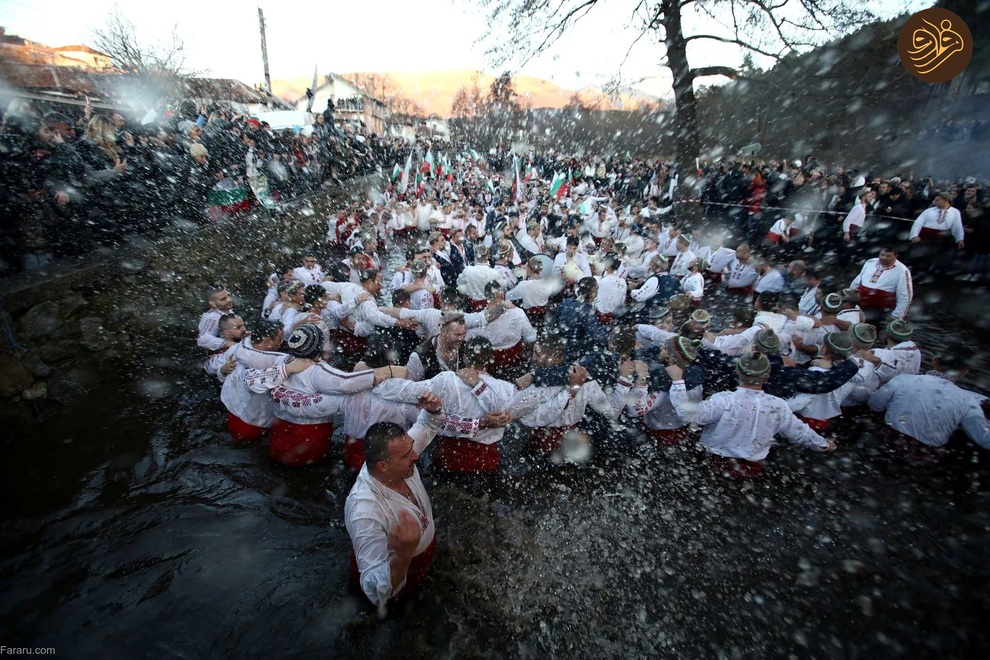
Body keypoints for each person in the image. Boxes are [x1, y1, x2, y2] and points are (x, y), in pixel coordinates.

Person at [344, 392, 445, 608]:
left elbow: (426, 427)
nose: (416, 456)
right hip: (396, 585)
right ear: (383, 466)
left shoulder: (401, 456)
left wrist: (433, 410)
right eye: (407, 455)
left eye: (411, 448)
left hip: (419, 564)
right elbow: (372, 587)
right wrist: (403, 555)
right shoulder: (365, 510)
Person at [667, 351, 835, 479]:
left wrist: (677, 381)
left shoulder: (724, 400)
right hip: (751, 468)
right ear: (767, 376)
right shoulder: (778, 405)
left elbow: (687, 414)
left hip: (714, 463)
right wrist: (822, 444)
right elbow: (799, 432)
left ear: (738, 372)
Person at [869, 366, 990, 462]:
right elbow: (984, 440)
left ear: (934, 361)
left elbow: (875, 405)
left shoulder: (903, 379)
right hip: (925, 459)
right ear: (964, 372)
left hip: (888, 446)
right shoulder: (968, 401)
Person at [849, 247, 913, 321]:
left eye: (888, 256)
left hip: (879, 307)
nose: (884, 258)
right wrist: (850, 293)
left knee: (870, 327)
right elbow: (858, 279)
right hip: (860, 301)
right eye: (882, 255)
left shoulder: (902, 271)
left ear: (896, 256)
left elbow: (905, 294)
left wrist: (897, 315)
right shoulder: (871, 262)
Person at [909, 191, 965, 274]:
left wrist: (959, 239)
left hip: (941, 239)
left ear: (946, 201)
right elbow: (918, 223)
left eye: (937, 200)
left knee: (934, 258)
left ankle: (926, 274)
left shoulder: (955, 212)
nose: (935, 201)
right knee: (920, 256)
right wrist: (914, 235)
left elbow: (957, 227)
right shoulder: (929, 211)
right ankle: (915, 271)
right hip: (925, 238)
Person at [198, 287, 235, 375]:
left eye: (228, 296)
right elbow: (202, 339)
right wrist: (229, 344)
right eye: (223, 299)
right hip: (219, 363)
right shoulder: (214, 317)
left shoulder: (226, 312)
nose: (229, 300)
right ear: (213, 304)